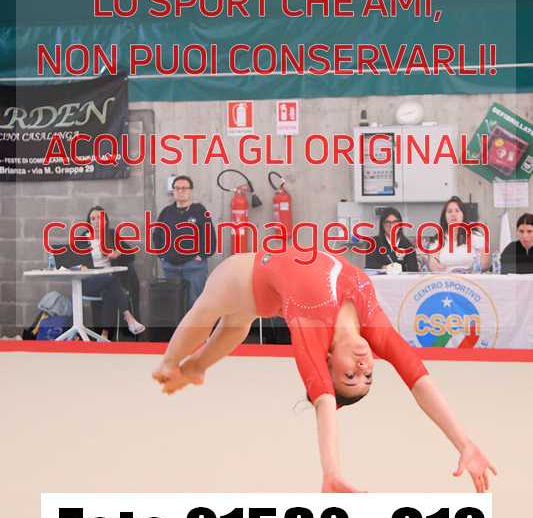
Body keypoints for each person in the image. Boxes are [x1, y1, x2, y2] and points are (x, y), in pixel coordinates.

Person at [152, 246, 496, 494]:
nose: (363, 366)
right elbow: (419, 379)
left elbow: (325, 401)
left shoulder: (312, 329)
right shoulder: (373, 328)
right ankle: (195, 366)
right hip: (262, 287)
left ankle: (173, 363)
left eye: (350, 376)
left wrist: (331, 473)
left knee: (210, 313)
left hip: (240, 278)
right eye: (368, 376)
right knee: (236, 322)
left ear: (327, 360)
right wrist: (464, 443)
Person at [80, 206, 145, 339]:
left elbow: (131, 255)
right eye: (93, 218)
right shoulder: (83, 238)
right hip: (89, 281)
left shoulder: (111, 235)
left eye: (99, 218)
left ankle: (104, 335)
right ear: (89, 221)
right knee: (113, 280)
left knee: (109, 292)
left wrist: (117, 254)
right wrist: (81, 266)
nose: (96, 221)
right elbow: (73, 261)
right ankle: (128, 317)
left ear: (105, 221)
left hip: (108, 282)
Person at [154, 175, 216, 310]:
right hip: (170, 267)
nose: (180, 191)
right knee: (174, 305)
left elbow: (209, 236)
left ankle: (196, 326)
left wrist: (201, 256)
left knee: (195, 304)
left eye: (184, 188)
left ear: (190, 191)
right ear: (173, 191)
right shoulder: (166, 212)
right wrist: (162, 255)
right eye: (177, 188)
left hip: (194, 266)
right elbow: (156, 235)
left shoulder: (199, 210)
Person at [427, 196, 490, 273]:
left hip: (471, 278)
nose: (453, 214)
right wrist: (436, 266)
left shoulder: (476, 236)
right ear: (444, 216)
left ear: (463, 215)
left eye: (457, 211)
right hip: (445, 278)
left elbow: (485, 264)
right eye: (449, 211)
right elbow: (432, 263)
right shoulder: (437, 239)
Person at [365, 207, 419, 272]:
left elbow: (414, 270)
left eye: (395, 222)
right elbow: (369, 265)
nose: (391, 226)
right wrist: (385, 268)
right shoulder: (373, 243)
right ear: (382, 225)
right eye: (387, 222)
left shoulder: (408, 245)